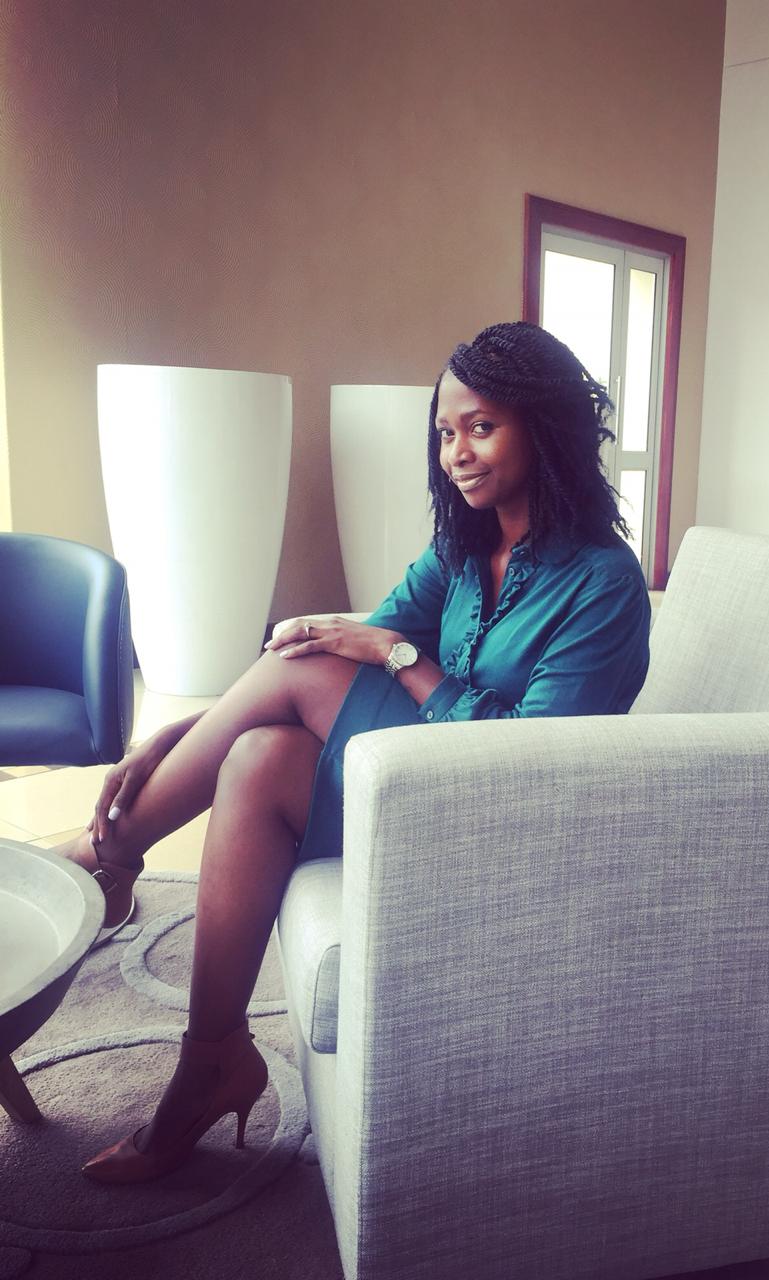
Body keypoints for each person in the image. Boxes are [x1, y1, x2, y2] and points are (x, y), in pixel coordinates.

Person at [63, 320, 651, 1185]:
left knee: (314, 659)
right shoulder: (464, 548)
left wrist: (397, 655)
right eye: (445, 432)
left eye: (482, 427)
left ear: (546, 427)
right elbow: (327, 654)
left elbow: (529, 762)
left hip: (505, 827)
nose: (457, 454)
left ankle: (102, 857)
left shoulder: (605, 584)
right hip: (413, 788)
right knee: (257, 755)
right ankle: (212, 1056)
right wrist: (178, 736)